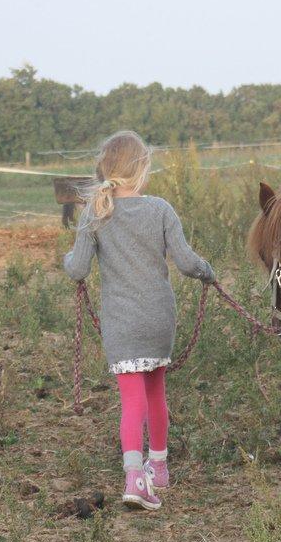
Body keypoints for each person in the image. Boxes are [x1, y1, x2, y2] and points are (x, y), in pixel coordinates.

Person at [63, 130, 215, 510]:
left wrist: (66, 260)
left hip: (122, 324)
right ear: (142, 168)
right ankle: (158, 468)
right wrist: (207, 272)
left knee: (132, 400)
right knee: (156, 391)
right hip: (159, 319)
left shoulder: (95, 212)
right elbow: (186, 262)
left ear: (105, 169)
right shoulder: (161, 209)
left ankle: (135, 478)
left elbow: (78, 268)